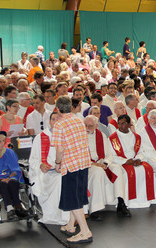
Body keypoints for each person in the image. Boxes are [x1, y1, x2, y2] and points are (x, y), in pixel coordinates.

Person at [51, 96, 92, 244]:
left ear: (57, 108)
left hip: (70, 164)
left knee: (73, 199)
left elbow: (60, 149)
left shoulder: (59, 124)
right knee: (79, 195)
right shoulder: (78, 119)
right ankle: (70, 225)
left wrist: (57, 163)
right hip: (83, 161)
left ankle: (85, 231)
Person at [85, 116, 130, 218]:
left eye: (90, 126)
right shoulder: (79, 136)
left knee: (117, 169)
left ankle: (121, 202)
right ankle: (95, 209)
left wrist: (105, 163)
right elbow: (79, 155)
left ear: (96, 126)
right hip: (88, 165)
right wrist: (94, 164)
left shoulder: (102, 136)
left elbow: (109, 154)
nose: (87, 128)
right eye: (85, 125)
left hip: (102, 163)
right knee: (98, 172)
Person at [29, 112, 70, 224]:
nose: (55, 122)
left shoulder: (66, 136)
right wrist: (40, 165)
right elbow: (33, 159)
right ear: (49, 121)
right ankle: (55, 215)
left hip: (62, 169)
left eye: (58, 119)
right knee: (59, 180)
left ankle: (67, 215)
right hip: (46, 172)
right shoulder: (40, 137)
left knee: (65, 178)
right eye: (53, 119)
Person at [110, 115, 156, 208]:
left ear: (129, 125)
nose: (120, 126)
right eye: (119, 124)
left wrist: (138, 159)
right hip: (121, 162)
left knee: (147, 169)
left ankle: (144, 200)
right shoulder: (112, 138)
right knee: (129, 173)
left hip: (135, 161)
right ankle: (128, 201)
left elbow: (141, 151)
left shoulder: (136, 137)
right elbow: (111, 155)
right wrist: (126, 161)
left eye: (123, 123)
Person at [0, 131, 29, 220]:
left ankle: (18, 206)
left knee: (12, 182)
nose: (2, 143)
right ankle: (10, 209)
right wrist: (2, 178)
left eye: (3, 141)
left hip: (12, 176)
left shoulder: (9, 152)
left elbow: (15, 168)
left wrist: (9, 177)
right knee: (2, 184)